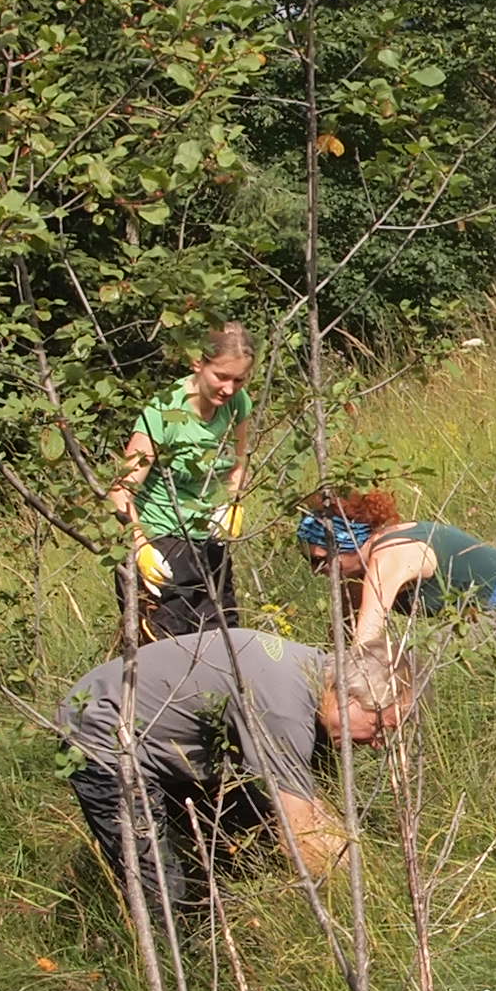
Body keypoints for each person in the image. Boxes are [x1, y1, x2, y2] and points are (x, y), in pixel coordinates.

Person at [57, 626, 424, 925]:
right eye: (380, 727)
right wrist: (368, 910)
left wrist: (367, 869)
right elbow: (300, 836)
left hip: (160, 735)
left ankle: (223, 919)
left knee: (249, 835)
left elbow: (310, 804)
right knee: (160, 889)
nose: (378, 744)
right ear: (351, 699)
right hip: (103, 731)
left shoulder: (312, 671)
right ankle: (171, 964)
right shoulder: (285, 710)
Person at [106, 325, 259, 642]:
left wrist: (232, 504)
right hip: (160, 543)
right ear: (198, 363)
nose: (229, 389)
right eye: (221, 376)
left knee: (222, 643)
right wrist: (141, 548)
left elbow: (238, 463)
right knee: (165, 650)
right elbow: (120, 491)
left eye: (239, 380)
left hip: (209, 541)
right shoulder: (163, 412)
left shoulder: (237, 403)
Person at [298, 492, 496, 642]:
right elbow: (344, 630)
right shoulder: (359, 570)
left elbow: (366, 637)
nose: (316, 571)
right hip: (486, 613)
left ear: (347, 543)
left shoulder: (390, 557)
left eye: (321, 559)